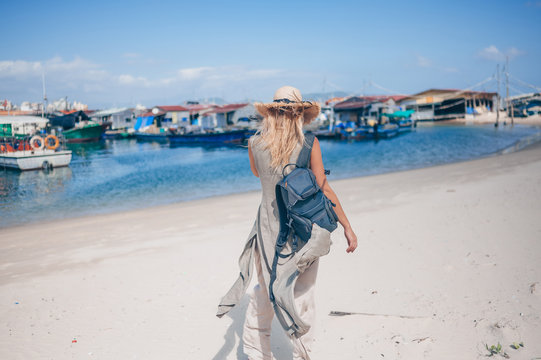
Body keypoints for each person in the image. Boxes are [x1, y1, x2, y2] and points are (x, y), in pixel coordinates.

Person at [217, 86, 357, 360]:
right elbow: (323, 187)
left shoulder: (254, 143)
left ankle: (258, 354)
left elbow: (259, 174)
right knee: (303, 293)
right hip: (304, 230)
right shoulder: (308, 143)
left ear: (271, 113)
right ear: (299, 114)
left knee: (265, 291)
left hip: (267, 229)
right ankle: (303, 354)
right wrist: (347, 227)